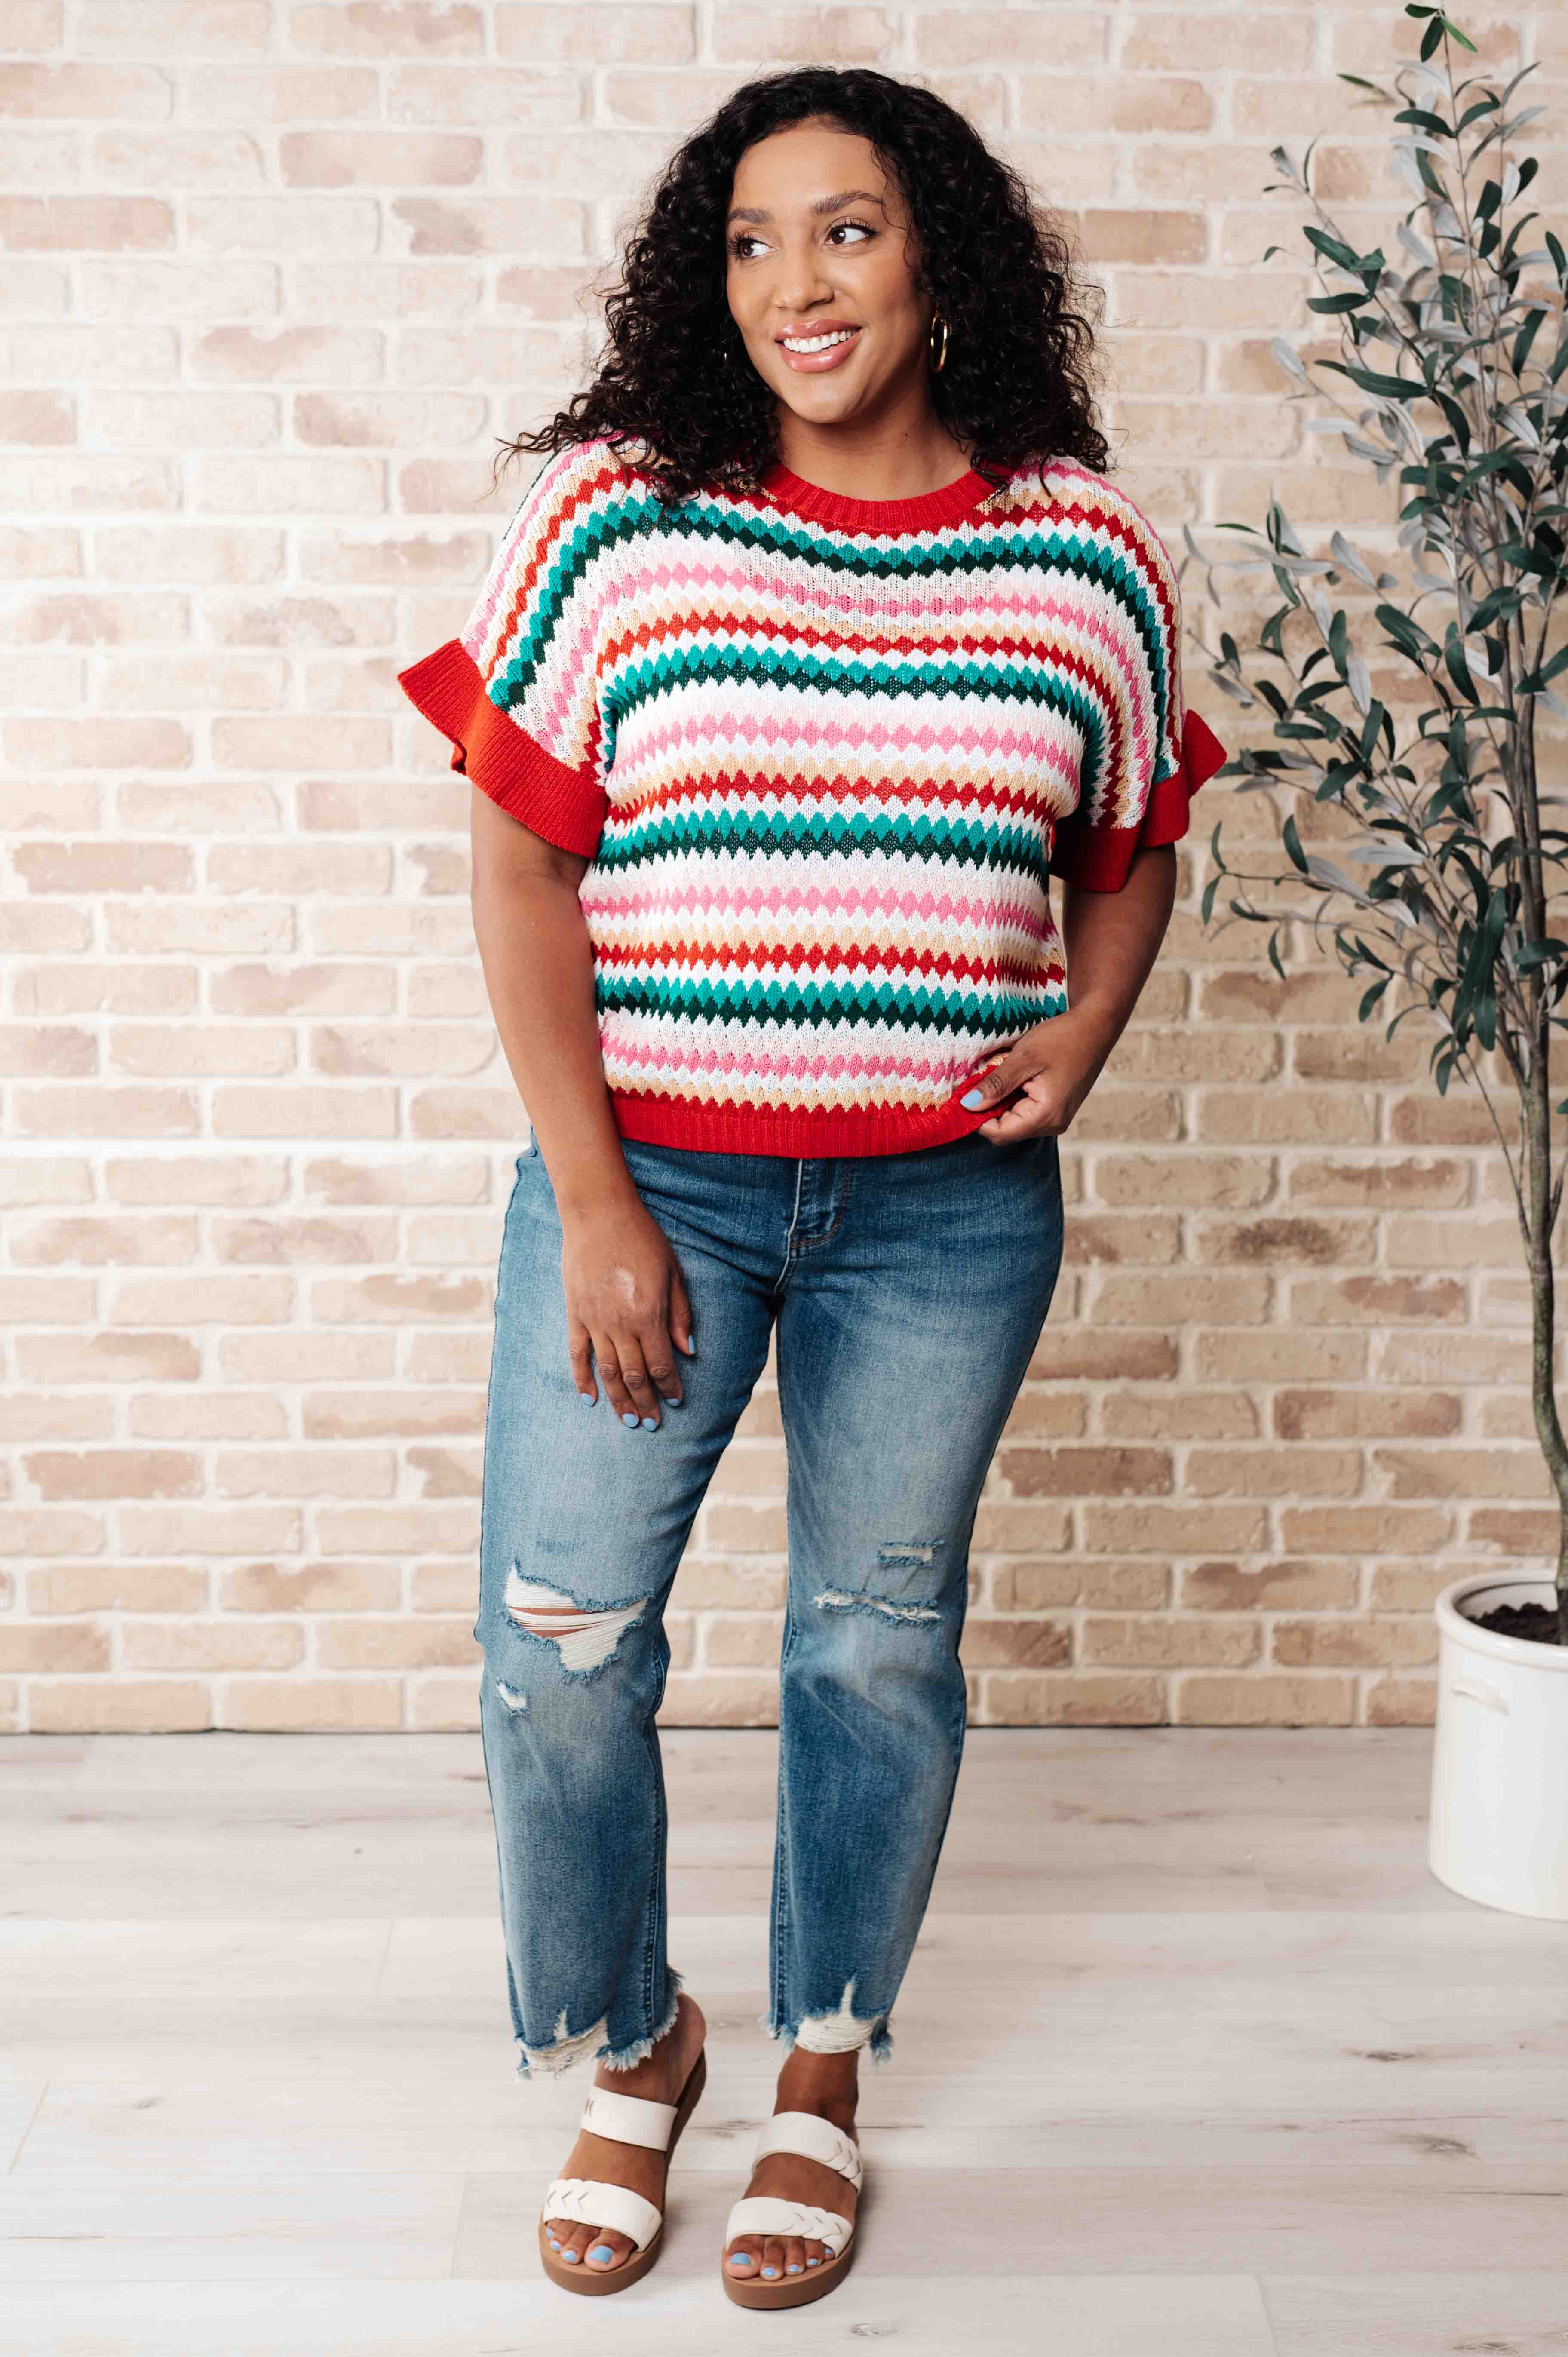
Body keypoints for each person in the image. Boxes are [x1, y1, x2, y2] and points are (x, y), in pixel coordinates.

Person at [398, 63, 1225, 2312]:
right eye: (753, 241)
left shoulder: (1083, 550)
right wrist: (596, 1207)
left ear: (938, 253)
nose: (799, 282)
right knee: (560, 1643)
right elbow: (516, 865)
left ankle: (824, 2070)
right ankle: (634, 2041)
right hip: (652, 1184)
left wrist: (1083, 1030)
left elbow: (1137, 840)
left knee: (874, 1649)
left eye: (847, 227)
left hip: (942, 1217)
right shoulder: (618, 519)